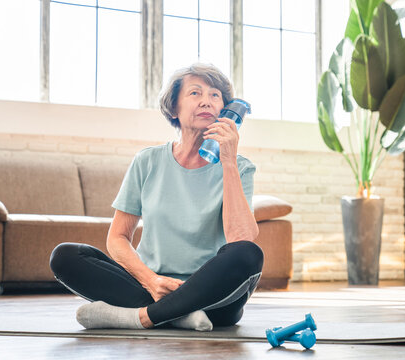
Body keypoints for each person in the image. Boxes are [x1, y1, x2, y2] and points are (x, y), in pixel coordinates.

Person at [49, 63, 264, 331]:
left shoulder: (240, 166)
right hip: (149, 285)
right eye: (195, 93)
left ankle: (141, 317)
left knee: (248, 254)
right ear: (174, 107)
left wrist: (228, 161)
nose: (206, 101)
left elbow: (240, 239)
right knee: (66, 256)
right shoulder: (147, 161)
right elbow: (117, 238)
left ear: (226, 111)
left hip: (210, 295)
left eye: (215, 95)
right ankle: (180, 315)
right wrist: (151, 281)